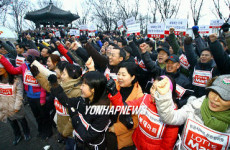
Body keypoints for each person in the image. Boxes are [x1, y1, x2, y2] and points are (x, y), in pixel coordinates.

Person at [154, 75, 230, 150]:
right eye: (214, 92)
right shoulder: (195, 105)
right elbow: (170, 118)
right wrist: (163, 96)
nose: (215, 99)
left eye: (224, 97)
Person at [106, 75, 179, 150]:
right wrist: (114, 93)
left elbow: (167, 145)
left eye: (158, 91)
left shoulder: (172, 115)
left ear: (167, 94)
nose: (153, 92)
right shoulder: (145, 99)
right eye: (153, 87)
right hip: (137, 144)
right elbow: (123, 108)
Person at [48, 71, 110, 150]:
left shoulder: (102, 112)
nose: (80, 87)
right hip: (79, 142)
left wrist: (75, 117)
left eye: (83, 85)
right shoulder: (83, 99)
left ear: (93, 89)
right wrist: (55, 85)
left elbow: (88, 136)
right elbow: (67, 102)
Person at [0, 50, 52, 140]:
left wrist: (42, 98)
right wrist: (2, 59)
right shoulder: (24, 66)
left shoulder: (41, 67)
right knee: (37, 116)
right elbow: (12, 70)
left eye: (27, 56)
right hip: (30, 97)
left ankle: (48, 132)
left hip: (39, 97)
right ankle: (41, 130)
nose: (25, 58)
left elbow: (44, 84)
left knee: (44, 115)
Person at [106, 62, 143, 150]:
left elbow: (135, 121)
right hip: (108, 130)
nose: (120, 77)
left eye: (123, 75)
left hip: (124, 137)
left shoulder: (139, 96)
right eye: (118, 74)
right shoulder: (115, 85)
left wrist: (116, 128)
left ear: (132, 77)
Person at [0, 61, 31, 145]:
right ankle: (17, 135)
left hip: (16, 106)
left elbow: (19, 93)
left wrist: (16, 107)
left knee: (22, 120)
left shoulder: (16, 79)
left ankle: (26, 132)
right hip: (5, 106)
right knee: (12, 123)